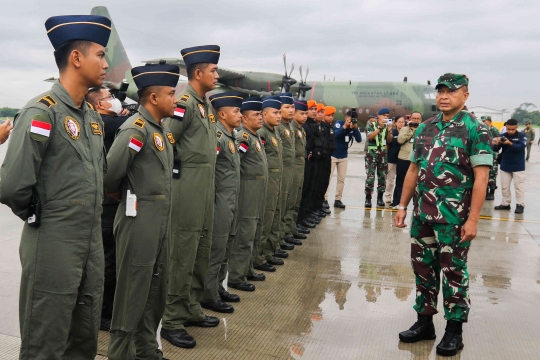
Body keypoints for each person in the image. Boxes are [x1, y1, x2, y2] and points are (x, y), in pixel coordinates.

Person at [0, 15, 111, 359]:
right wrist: (45, 216)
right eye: (100, 55)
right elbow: (11, 185)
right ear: (76, 59)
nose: (106, 64)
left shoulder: (91, 118)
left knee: (83, 336)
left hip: (90, 243)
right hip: (53, 244)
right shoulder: (40, 112)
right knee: (46, 339)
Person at [394, 73, 492, 357]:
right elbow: (413, 170)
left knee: (453, 272)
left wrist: (473, 219)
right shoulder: (425, 127)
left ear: (465, 95)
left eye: (451, 91)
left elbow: (481, 178)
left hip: (454, 218)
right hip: (422, 215)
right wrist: (402, 206)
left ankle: (454, 330)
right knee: (423, 269)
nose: (444, 96)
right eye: (440, 91)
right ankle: (424, 322)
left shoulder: (476, 129)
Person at [104, 64, 178, 359]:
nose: (176, 99)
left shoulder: (160, 130)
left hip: (158, 222)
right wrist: (121, 194)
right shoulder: (135, 129)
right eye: (171, 94)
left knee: (155, 290)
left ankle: (146, 349)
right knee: (131, 294)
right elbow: (110, 174)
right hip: (138, 222)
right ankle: (120, 353)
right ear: (154, 98)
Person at [161, 45, 220, 349]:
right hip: (187, 187)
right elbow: (167, 138)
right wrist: (176, 175)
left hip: (205, 187)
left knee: (201, 248)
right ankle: (171, 320)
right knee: (183, 252)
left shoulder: (205, 105)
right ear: (198, 73)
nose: (217, 75)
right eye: (213, 70)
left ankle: (191, 307)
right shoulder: (183, 104)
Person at [85, 86, 131, 330]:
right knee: (107, 260)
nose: (113, 101)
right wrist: (126, 115)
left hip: (112, 202)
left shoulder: (111, 120)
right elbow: (127, 123)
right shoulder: (102, 122)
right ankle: (103, 314)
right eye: (109, 98)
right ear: (99, 105)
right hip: (106, 203)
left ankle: (108, 308)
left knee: (112, 257)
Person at [201, 91, 243, 313]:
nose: (240, 115)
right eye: (236, 111)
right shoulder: (218, 137)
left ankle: (218, 286)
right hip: (219, 200)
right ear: (222, 114)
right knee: (216, 247)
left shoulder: (232, 137)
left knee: (227, 245)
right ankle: (208, 294)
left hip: (231, 198)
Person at [227, 97, 268, 290]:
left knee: (255, 230)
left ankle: (248, 268)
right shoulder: (243, 138)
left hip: (257, 192)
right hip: (247, 192)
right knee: (244, 233)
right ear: (244, 118)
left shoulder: (255, 136)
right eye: (256, 115)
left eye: (261, 114)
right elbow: (236, 163)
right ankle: (237, 275)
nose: (260, 118)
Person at [253, 95, 285, 272]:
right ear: (264, 115)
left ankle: (268, 252)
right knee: (265, 218)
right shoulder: (262, 133)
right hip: (267, 180)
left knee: (274, 215)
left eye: (280, 112)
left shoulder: (274, 131)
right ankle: (258, 256)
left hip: (276, 178)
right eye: (275, 112)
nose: (279, 116)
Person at [277, 92, 301, 250]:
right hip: (281, 172)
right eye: (287, 107)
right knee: (280, 207)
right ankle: (278, 240)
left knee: (291, 202)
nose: (291, 110)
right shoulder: (278, 128)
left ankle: (286, 233)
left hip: (291, 170)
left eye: (292, 107)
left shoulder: (288, 127)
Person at [324, 109, 361, 208]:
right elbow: (335, 135)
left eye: (354, 119)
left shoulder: (354, 126)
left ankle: (338, 199)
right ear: (346, 118)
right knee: (328, 178)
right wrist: (345, 127)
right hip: (333, 155)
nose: (352, 121)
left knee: (341, 179)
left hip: (343, 156)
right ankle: (325, 199)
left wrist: (355, 128)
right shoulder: (339, 123)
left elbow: (359, 139)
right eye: (350, 119)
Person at [493, 118, 526, 214]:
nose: (510, 131)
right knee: (505, 186)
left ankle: (520, 205)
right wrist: (497, 143)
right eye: (508, 129)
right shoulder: (503, 136)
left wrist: (509, 143)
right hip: (505, 165)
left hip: (518, 166)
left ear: (516, 127)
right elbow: (495, 149)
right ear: (506, 127)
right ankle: (505, 203)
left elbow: (520, 147)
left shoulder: (521, 136)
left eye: (512, 129)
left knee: (519, 187)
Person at [286, 99, 309, 237]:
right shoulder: (292, 129)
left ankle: (291, 228)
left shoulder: (300, 129)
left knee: (295, 200)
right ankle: (286, 233)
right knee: (289, 202)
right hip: (292, 168)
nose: (305, 116)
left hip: (299, 168)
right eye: (302, 113)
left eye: (306, 113)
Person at [297, 100, 321, 229]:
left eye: (311, 110)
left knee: (309, 189)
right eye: (305, 112)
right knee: (302, 191)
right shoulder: (304, 127)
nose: (308, 114)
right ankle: (300, 219)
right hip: (303, 162)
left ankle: (305, 215)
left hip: (311, 160)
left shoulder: (310, 126)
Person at [365, 107, 393, 207]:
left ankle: (380, 198)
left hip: (382, 153)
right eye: (384, 116)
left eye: (387, 116)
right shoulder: (371, 124)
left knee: (382, 177)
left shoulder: (387, 126)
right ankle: (368, 198)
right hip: (372, 153)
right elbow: (370, 137)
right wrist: (380, 128)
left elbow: (389, 140)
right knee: (370, 176)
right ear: (379, 116)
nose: (386, 118)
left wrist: (389, 131)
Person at [392, 112, 421, 207]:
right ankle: (397, 202)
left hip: (417, 159)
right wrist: (409, 129)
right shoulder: (404, 129)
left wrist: (418, 129)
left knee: (417, 183)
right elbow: (400, 140)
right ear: (410, 119)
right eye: (414, 118)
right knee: (400, 181)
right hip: (404, 159)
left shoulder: (424, 129)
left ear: (421, 120)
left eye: (418, 119)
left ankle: (416, 204)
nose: (416, 120)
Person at [384, 116, 404, 204]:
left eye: (403, 122)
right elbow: (388, 143)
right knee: (390, 179)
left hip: (403, 159)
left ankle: (400, 198)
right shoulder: (393, 131)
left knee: (401, 180)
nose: (401, 123)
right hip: (392, 158)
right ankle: (388, 196)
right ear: (395, 123)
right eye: (399, 122)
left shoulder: (406, 132)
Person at [481, 116, 499, 200]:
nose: (483, 123)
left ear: (489, 121)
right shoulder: (482, 129)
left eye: (484, 121)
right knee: (484, 174)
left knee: (492, 174)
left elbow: (496, 142)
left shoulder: (494, 130)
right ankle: (485, 191)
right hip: (484, 153)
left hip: (493, 155)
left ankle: (491, 192)